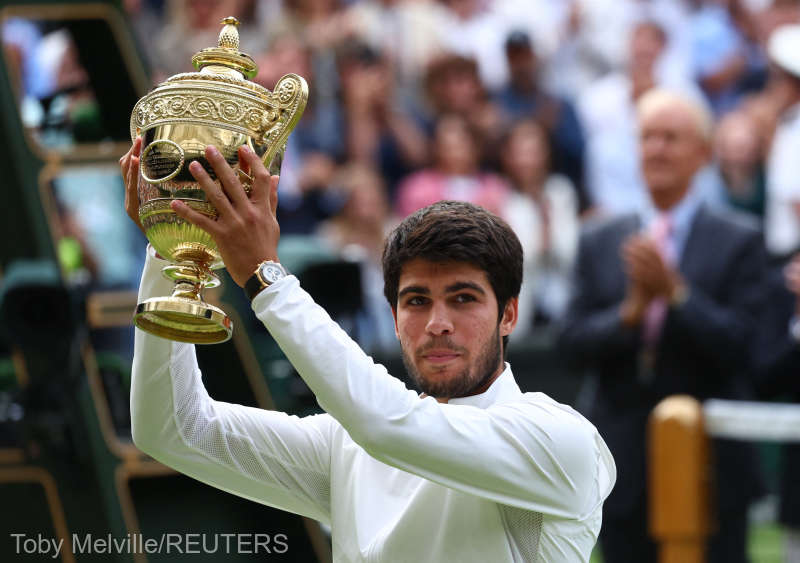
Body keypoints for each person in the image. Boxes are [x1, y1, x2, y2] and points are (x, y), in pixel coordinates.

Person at [120, 138, 615, 562]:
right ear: (395, 319)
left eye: (463, 299)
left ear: (509, 315)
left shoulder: (561, 440)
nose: (438, 324)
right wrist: (174, 242)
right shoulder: (348, 446)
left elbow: (387, 426)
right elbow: (172, 428)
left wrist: (266, 278)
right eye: (416, 301)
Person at [560, 88, 766, 563]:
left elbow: (746, 348)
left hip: (711, 467)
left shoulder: (740, 239)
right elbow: (570, 344)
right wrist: (628, 316)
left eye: (671, 138)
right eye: (647, 137)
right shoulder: (599, 239)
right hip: (621, 466)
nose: (656, 149)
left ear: (702, 153)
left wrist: (677, 296)